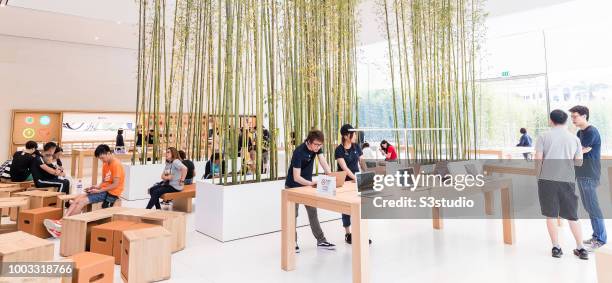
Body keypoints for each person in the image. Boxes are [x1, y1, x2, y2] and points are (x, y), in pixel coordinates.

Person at [534, 109, 588, 260]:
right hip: (567, 180)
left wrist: (538, 177)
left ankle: (556, 247)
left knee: (551, 215)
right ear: (566, 121)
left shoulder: (543, 136)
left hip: (547, 180)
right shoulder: (574, 139)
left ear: (551, 120)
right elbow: (579, 162)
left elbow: (538, 160)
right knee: (572, 215)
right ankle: (581, 248)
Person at [43, 144, 125, 237]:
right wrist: (95, 187)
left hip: (111, 192)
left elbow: (115, 184)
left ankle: (64, 226)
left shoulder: (116, 164)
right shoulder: (105, 164)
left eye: (102, 158)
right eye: (100, 159)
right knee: (77, 199)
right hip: (103, 190)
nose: (102, 160)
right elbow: (104, 181)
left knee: (82, 202)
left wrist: (99, 191)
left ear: (109, 153)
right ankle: (62, 221)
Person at [286, 129, 336, 252]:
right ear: (309, 142)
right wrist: (312, 183)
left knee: (313, 213)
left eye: (320, 145)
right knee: (293, 216)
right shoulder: (299, 152)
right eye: (316, 145)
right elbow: (296, 176)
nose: (318, 147)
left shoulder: (317, 149)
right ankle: (293, 242)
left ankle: (321, 240)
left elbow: (324, 162)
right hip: (293, 187)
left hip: (307, 186)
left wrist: (330, 176)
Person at [570, 105, 606, 250]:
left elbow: (580, 151)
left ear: (584, 116)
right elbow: (578, 151)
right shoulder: (580, 133)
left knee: (593, 206)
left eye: (575, 116)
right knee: (588, 206)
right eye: (571, 116)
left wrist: (578, 151)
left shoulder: (592, 131)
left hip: (590, 174)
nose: (572, 119)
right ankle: (596, 235)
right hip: (581, 173)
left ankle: (600, 238)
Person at [335, 124, 371, 245]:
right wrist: (355, 177)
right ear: (346, 136)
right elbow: (344, 168)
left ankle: (361, 233)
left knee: (361, 206)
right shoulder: (339, 150)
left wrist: (367, 173)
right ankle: (348, 233)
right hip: (345, 182)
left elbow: (362, 162)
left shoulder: (356, 147)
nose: (355, 136)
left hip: (357, 180)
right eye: (353, 133)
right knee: (346, 208)